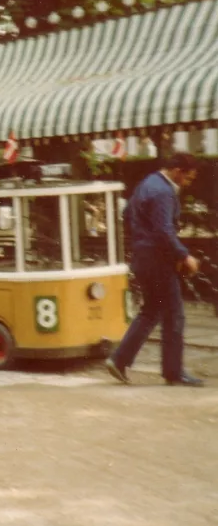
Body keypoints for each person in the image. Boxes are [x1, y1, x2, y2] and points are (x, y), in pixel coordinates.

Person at [106, 152, 203, 387]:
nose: (187, 183)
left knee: (151, 310)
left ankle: (120, 360)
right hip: (159, 261)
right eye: (188, 178)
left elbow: (128, 214)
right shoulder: (164, 192)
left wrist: (142, 240)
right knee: (173, 315)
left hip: (143, 257)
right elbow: (163, 230)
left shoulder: (147, 183)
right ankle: (173, 371)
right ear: (178, 171)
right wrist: (183, 255)